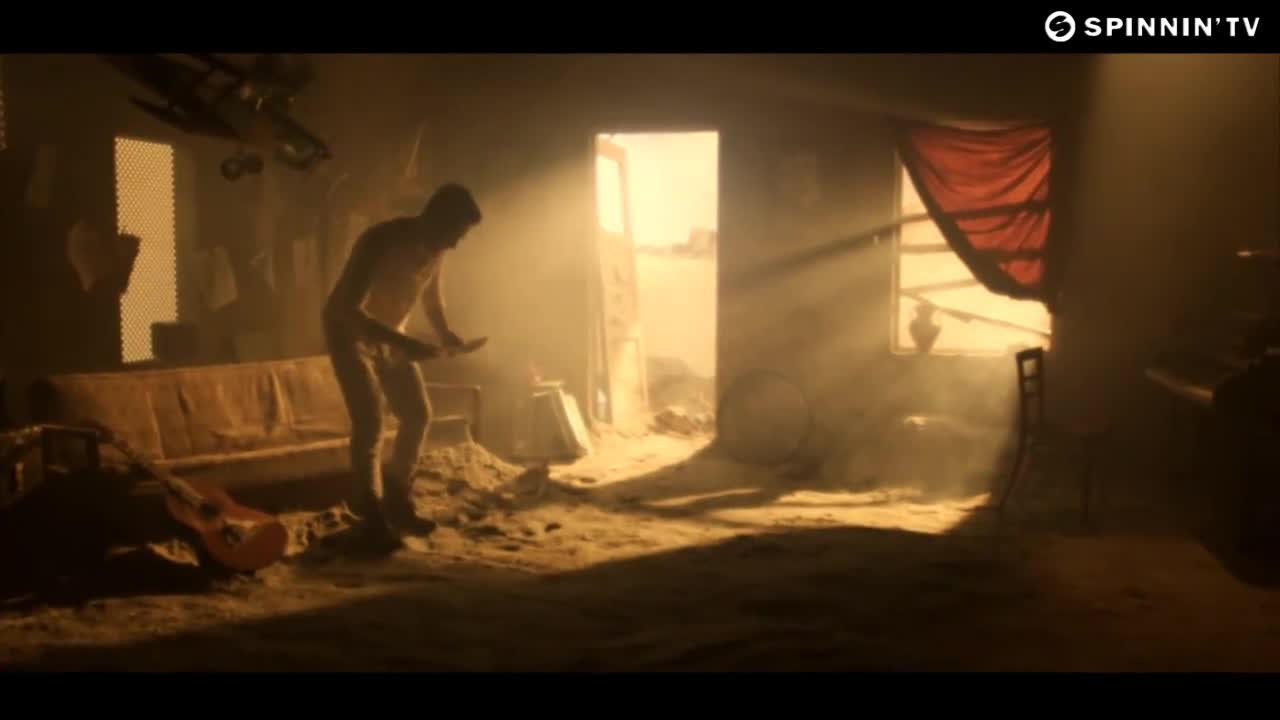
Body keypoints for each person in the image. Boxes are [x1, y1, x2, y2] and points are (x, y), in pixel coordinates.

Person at [323, 183, 481, 544]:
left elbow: (431, 296)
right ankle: (370, 512)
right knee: (370, 422)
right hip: (350, 334)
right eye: (455, 234)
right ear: (436, 219)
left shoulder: (437, 248)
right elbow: (348, 308)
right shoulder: (380, 240)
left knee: (417, 414)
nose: (455, 245)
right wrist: (405, 343)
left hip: (392, 334)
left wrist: (445, 332)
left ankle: (397, 498)